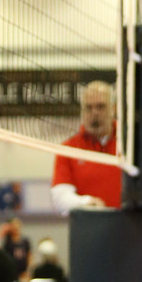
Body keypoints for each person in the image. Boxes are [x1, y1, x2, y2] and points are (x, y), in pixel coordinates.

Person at [50, 80, 122, 214]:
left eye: (101, 107)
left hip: (128, 225)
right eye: (89, 108)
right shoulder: (68, 149)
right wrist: (86, 202)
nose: (95, 113)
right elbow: (60, 196)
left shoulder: (130, 143)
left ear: (113, 108)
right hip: (87, 225)